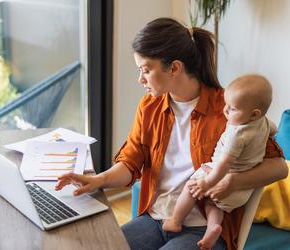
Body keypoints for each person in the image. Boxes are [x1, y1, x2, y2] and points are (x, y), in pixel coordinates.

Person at [55, 18, 287, 250]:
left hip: (206, 228)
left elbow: (279, 167)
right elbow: (131, 162)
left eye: (146, 70)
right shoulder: (150, 107)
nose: (140, 79)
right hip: (156, 219)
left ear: (174, 67)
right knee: (101, 246)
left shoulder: (229, 109)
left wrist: (231, 180)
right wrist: (99, 180)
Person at [163, 75, 276, 249]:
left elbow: (224, 164)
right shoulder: (264, 123)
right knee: (213, 204)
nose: (225, 111)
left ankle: (175, 220)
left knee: (191, 186)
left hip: (224, 177)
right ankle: (213, 227)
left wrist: (207, 183)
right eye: (226, 105)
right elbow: (273, 129)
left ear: (254, 114)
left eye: (232, 109)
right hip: (241, 192)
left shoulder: (237, 134)